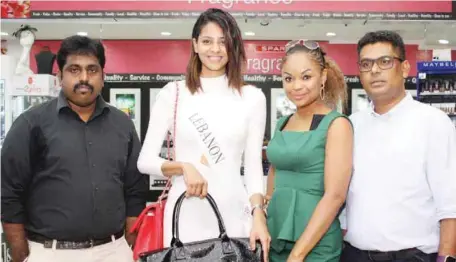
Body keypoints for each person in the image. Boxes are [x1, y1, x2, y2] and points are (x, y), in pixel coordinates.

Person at [137, 7, 271, 261]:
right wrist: (184, 167)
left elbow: (253, 168)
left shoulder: (252, 97)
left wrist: (258, 215)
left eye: (224, 42)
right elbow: (144, 161)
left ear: (233, 47)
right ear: (195, 45)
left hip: (234, 212)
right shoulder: (173, 93)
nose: (216, 49)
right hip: (185, 214)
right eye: (207, 41)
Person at [1, 35, 148, 262]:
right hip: (50, 252)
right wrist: (19, 250)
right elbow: (9, 192)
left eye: (92, 70)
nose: (84, 78)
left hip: (113, 251)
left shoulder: (123, 125)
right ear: (60, 76)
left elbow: (135, 188)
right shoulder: (31, 124)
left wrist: (128, 242)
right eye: (74, 70)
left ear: (103, 77)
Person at [341, 30, 456, 262]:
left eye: (384, 62)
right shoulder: (351, 125)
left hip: (413, 256)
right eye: (366, 64)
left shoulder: (433, 122)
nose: (374, 70)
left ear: (404, 68)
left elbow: (450, 205)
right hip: (354, 255)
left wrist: (447, 258)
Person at [265, 40, 353, 262]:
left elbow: (335, 196)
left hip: (315, 245)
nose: (296, 86)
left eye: (306, 77)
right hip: (276, 237)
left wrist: (297, 254)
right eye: (288, 78)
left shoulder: (337, 124)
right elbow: (275, 173)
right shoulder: (282, 123)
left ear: (322, 77)